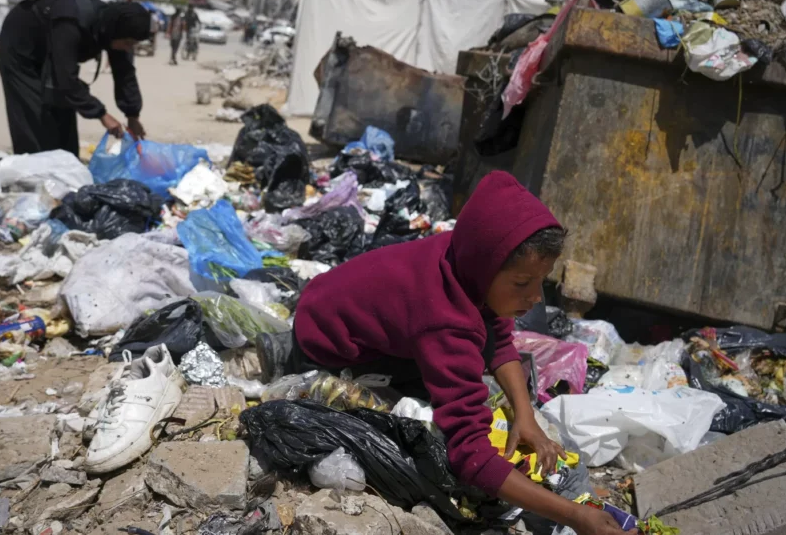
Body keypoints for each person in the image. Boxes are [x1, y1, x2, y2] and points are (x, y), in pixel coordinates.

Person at [259, 171, 633, 535]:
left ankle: (298, 349)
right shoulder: (445, 322)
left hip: (342, 306)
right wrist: (575, 516)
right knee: (410, 429)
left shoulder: (467, 256)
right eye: (522, 283)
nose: (536, 297)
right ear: (488, 267)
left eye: (541, 281)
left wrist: (526, 414)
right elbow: (470, 456)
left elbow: (497, 336)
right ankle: (292, 358)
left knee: (474, 387)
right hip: (329, 341)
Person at [0, 0, 149, 155]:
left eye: (132, 44)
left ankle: (65, 160)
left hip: (55, 55)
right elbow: (65, 80)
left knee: (64, 117)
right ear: (116, 31)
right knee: (34, 114)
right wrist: (102, 114)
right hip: (21, 49)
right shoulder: (71, 22)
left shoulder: (111, 29)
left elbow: (125, 74)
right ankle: (32, 167)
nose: (128, 48)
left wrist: (132, 115)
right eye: (127, 43)